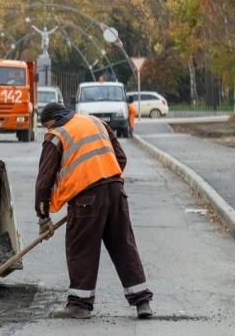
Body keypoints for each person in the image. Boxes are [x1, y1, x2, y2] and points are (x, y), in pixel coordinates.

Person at [35, 102, 153, 320]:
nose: (46, 130)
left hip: (87, 199)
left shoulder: (56, 135)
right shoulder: (96, 122)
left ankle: (79, 305)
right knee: (123, 244)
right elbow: (121, 158)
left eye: (46, 125)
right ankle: (142, 301)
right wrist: (106, 181)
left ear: (54, 120)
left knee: (81, 247)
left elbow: (44, 182)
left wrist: (43, 217)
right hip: (116, 191)